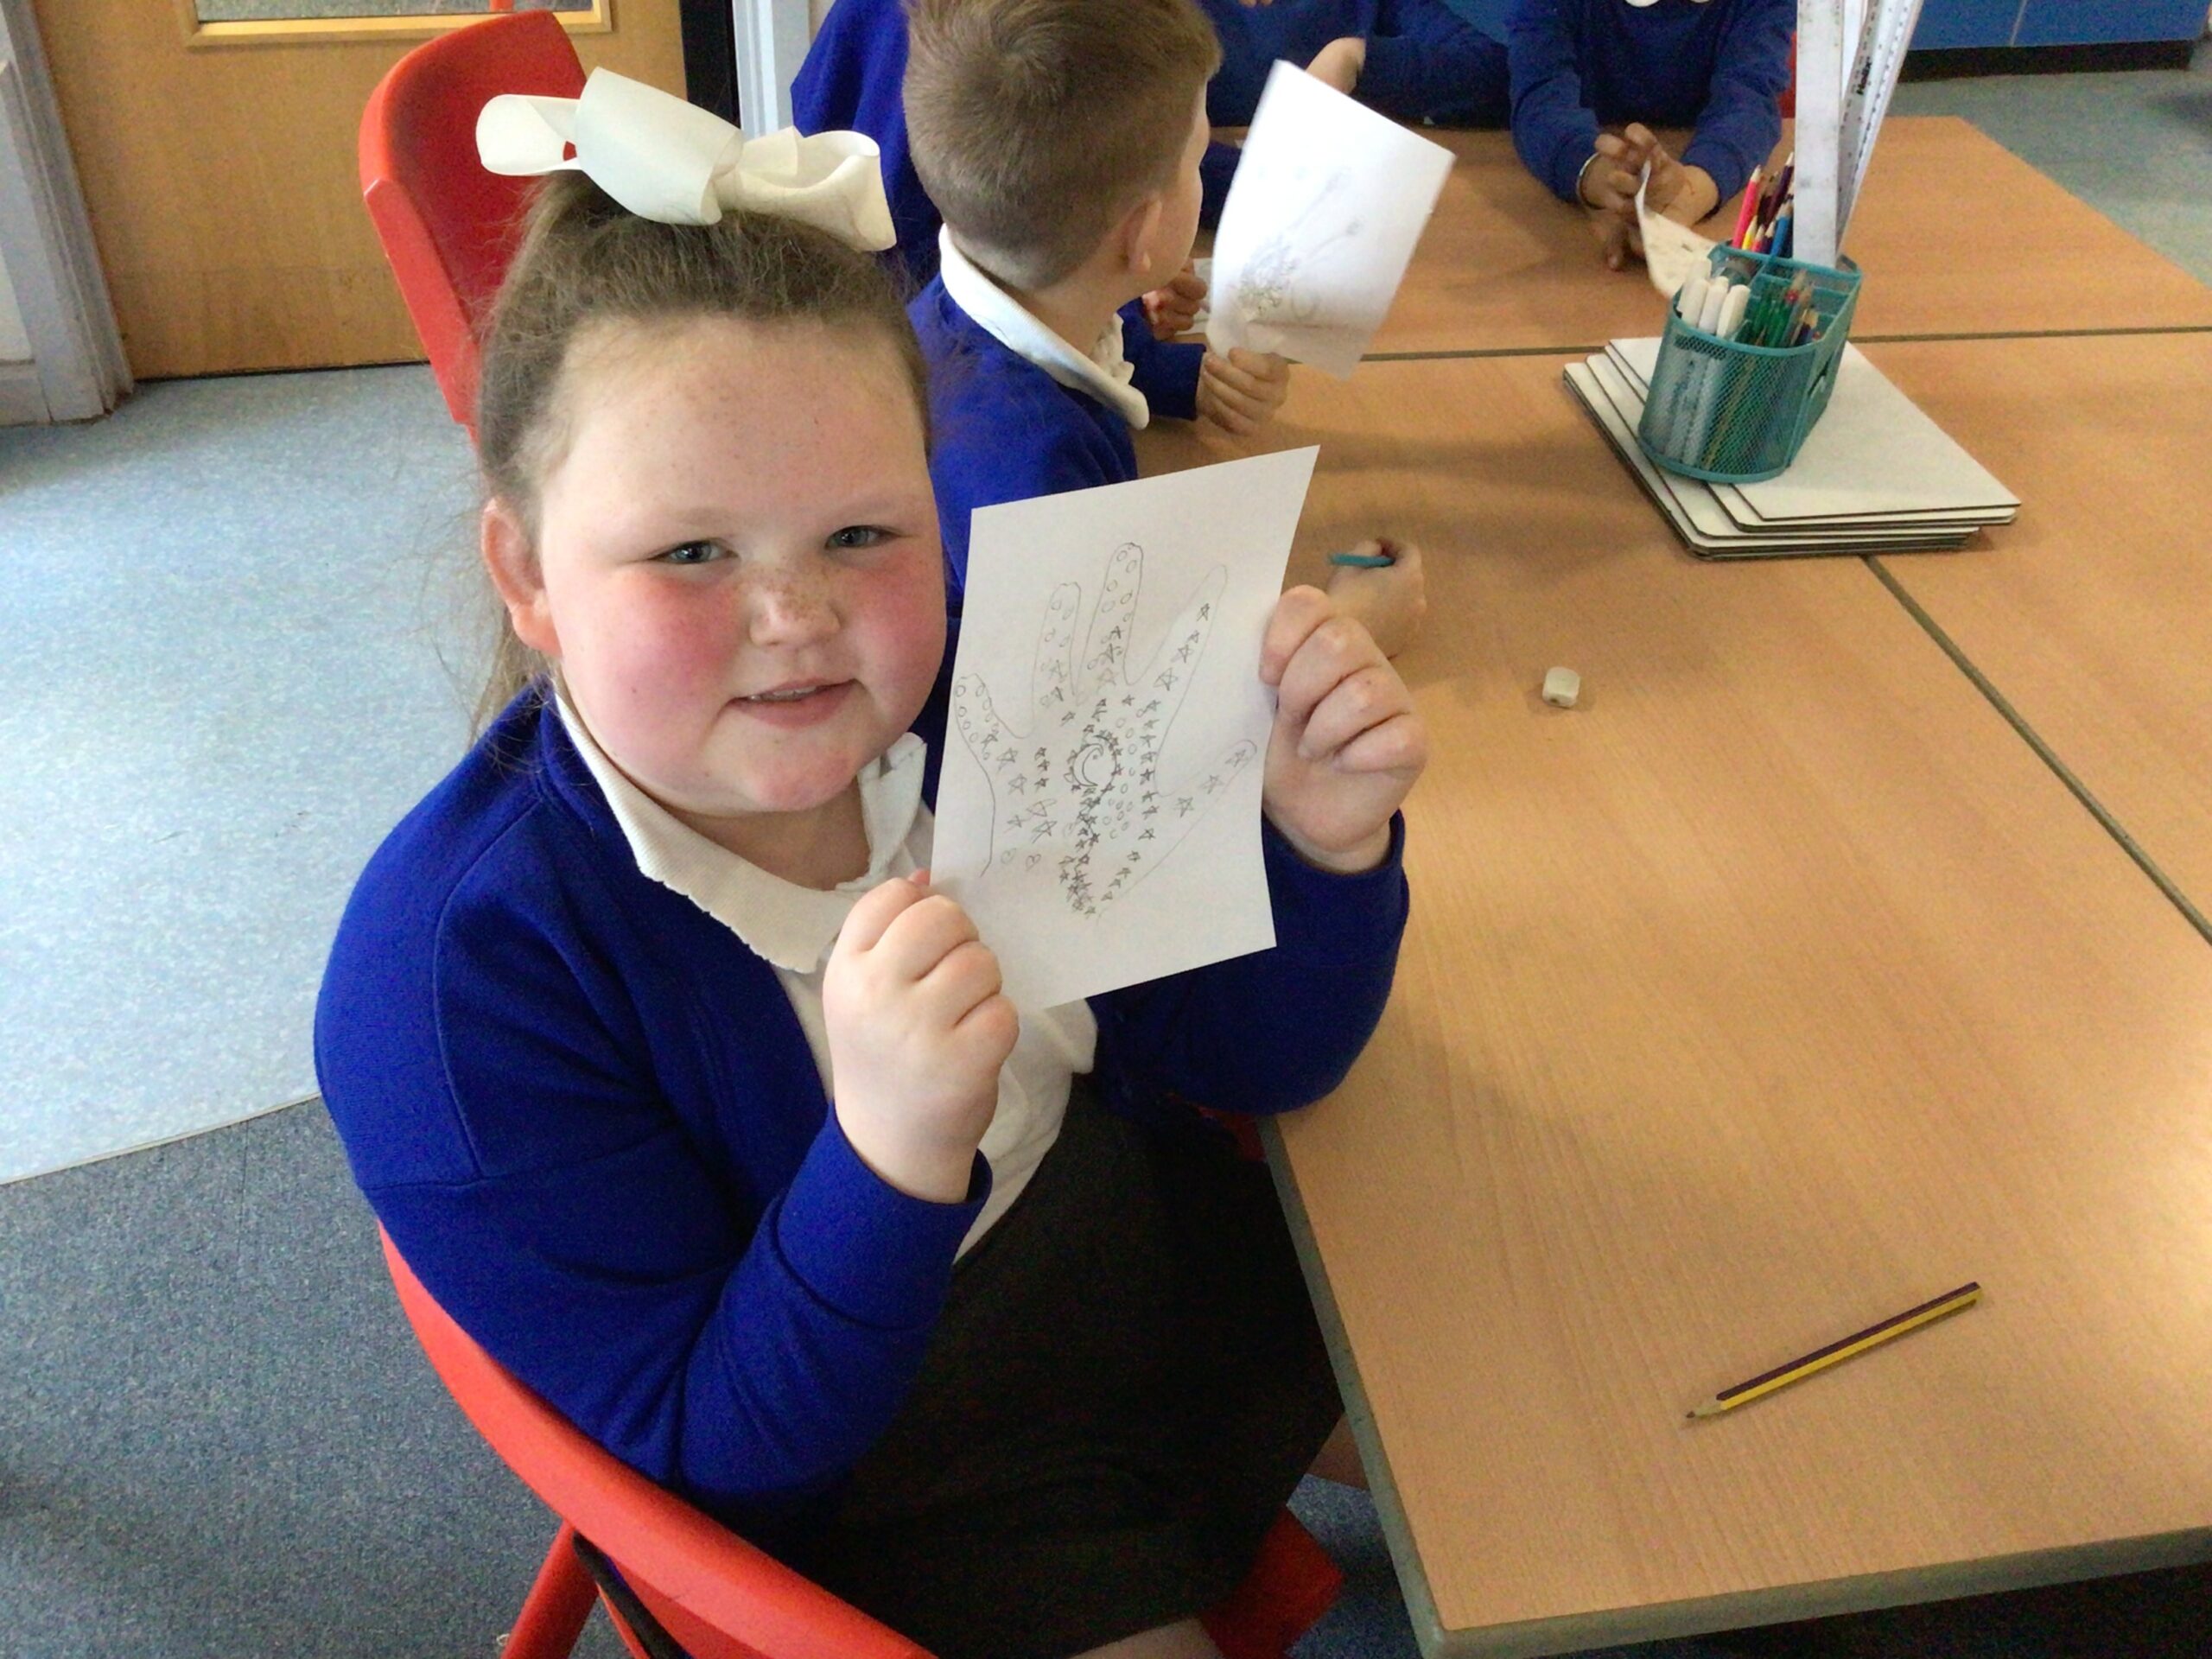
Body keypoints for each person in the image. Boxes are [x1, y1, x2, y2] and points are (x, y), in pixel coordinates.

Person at [315, 83, 1427, 1659]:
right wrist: (890, 1152)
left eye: (863, 536)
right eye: (691, 553)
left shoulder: (987, 687)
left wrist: (1321, 848)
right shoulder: (456, 984)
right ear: (527, 573)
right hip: (894, 1472)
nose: (798, 622)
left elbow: (1245, 1057)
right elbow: (716, 1452)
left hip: (1127, 1240)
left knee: (1567, 1458)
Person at [904, 0, 1427, 656]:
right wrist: (1344, 635)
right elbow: (1099, 690)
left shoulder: (979, 297)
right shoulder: (1034, 470)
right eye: (1198, 159)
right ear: (1144, 234)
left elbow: (1095, 348)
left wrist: (1191, 382)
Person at [1507, 0, 1794, 270]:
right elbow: (1541, 97)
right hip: (1567, 195)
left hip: (1688, 176)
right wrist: (1602, 179)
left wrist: (1686, 195)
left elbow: (1750, 104)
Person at [1215, 0, 1510, 128]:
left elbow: (1493, 73)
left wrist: (1358, 57)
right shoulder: (1190, 13)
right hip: (1217, 213)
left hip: (1348, 202)